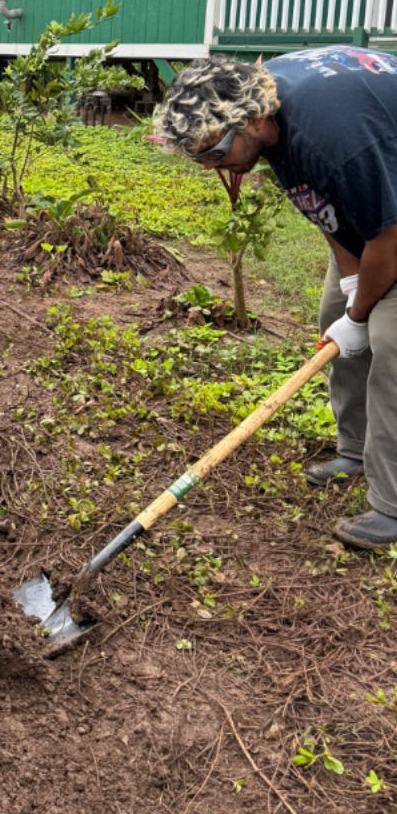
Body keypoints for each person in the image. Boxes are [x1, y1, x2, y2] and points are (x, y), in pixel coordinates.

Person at [153, 46, 397, 550]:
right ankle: (354, 449)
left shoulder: (334, 135)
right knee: (337, 315)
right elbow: (324, 208)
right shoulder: (269, 111)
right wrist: (352, 293)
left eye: (214, 153)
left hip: (392, 220)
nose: (208, 166)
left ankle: (393, 507)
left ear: (254, 121)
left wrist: (365, 311)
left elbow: (389, 239)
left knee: (390, 343)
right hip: (379, 199)